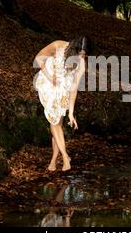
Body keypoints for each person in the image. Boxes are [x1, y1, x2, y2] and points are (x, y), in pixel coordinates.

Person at [34, 37, 90, 172]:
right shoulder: (58, 45)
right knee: (55, 122)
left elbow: (74, 88)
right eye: (79, 53)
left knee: (57, 123)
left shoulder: (81, 64)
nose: (81, 57)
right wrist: (49, 76)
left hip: (63, 89)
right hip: (48, 84)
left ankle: (54, 159)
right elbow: (38, 58)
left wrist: (71, 113)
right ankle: (65, 157)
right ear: (72, 48)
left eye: (84, 54)